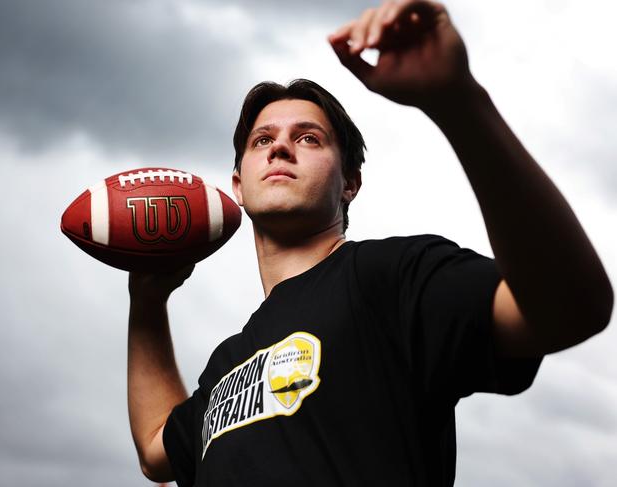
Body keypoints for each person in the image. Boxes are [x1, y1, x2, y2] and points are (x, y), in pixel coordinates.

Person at [126, 1, 614, 485]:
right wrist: (147, 303)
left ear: (349, 183)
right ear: (238, 184)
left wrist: (459, 101)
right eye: (261, 140)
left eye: (309, 138)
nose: (279, 146)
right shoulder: (225, 365)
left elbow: (570, 309)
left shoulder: (389, 276)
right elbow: (155, 449)